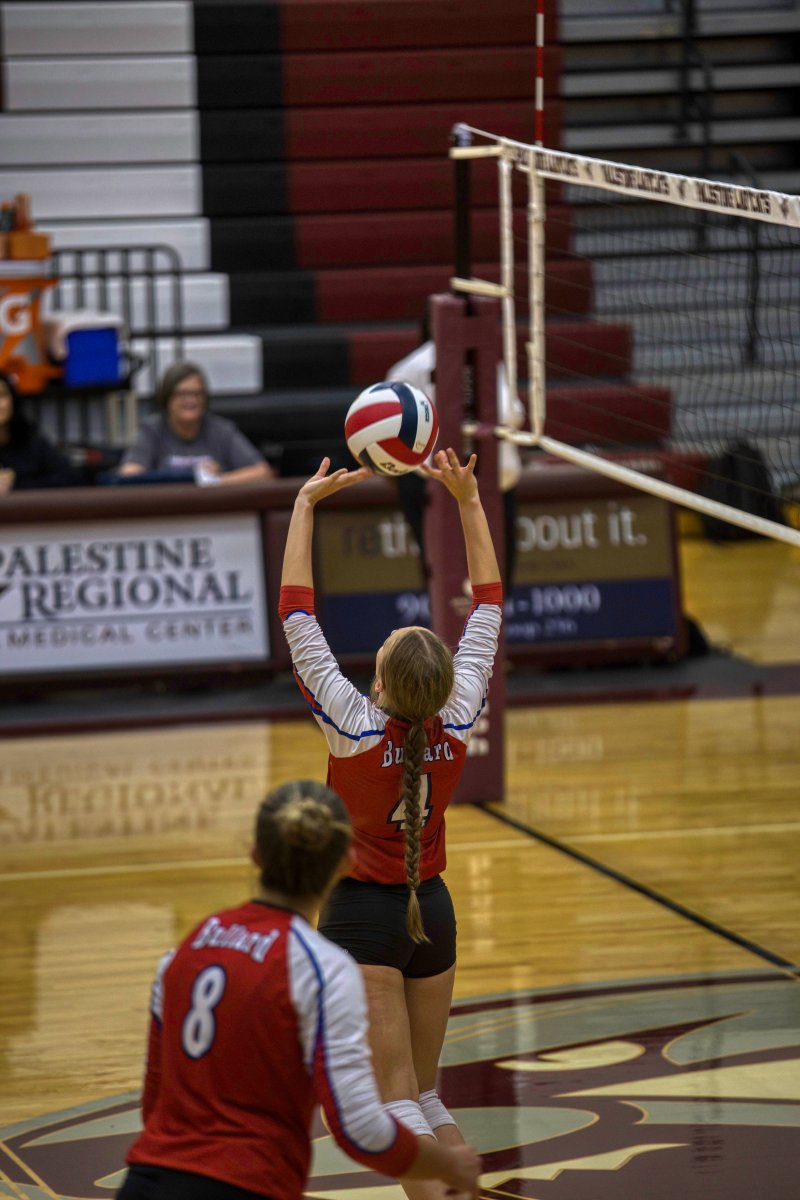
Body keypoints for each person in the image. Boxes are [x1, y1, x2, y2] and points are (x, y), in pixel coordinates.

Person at [279, 448, 502, 1200]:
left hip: (362, 919)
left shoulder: (353, 726)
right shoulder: (461, 713)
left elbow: (297, 614)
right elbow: (489, 603)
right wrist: (469, 500)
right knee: (428, 1097)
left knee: (397, 1105)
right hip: (432, 909)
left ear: (379, 683)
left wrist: (305, 506)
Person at [117, 779, 481, 1200]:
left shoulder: (184, 951)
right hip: (249, 1185)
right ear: (345, 862)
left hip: (147, 1183)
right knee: (414, 1092)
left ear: (255, 854)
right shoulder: (322, 968)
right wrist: (444, 1164)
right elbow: (358, 1127)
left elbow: (154, 1104)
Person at [385, 329, 524, 591]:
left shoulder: (489, 360)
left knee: (495, 580)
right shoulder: (413, 368)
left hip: (494, 484)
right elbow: (512, 414)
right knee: (448, 582)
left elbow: (512, 414)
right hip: (434, 485)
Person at [118, 361, 274, 485]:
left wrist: (217, 481)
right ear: (167, 398)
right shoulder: (151, 430)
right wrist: (193, 476)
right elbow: (129, 475)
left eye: (197, 394)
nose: (190, 401)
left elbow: (263, 472)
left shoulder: (221, 430)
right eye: (182, 394)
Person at [0, 370, 83, 491]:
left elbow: (72, 478)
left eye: (2, 395)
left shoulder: (31, 442)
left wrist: (16, 485)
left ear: (13, 399)